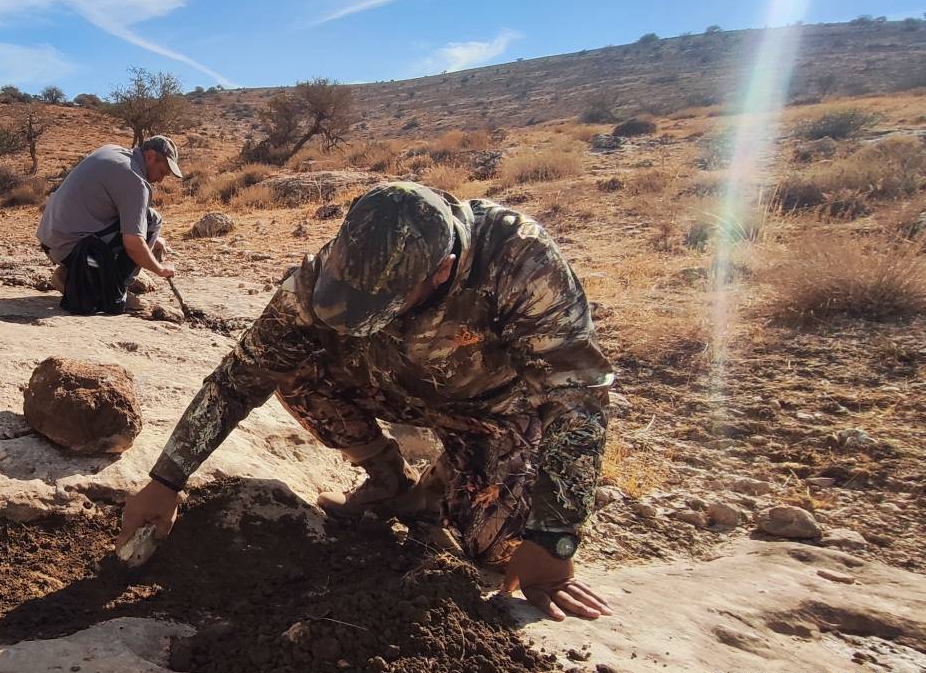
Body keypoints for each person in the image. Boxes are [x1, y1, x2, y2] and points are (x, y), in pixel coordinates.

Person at [116, 182, 618, 623]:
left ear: (441, 272)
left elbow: (578, 401)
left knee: (496, 551)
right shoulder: (331, 269)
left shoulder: (519, 261)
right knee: (289, 363)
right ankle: (389, 482)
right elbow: (239, 378)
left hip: (487, 414)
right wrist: (166, 480)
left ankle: (445, 484)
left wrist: (555, 537)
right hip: (390, 385)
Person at [37, 136, 182, 315]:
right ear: (151, 156)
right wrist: (159, 269)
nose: (160, 180)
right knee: (152, 220)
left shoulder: (111, 150)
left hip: (51, 239)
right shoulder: (135, 180)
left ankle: (71, 275)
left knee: (147, 221)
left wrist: (152, 239)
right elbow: (133, 243)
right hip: (72, 248)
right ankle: (115, 290)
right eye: (162, 172)